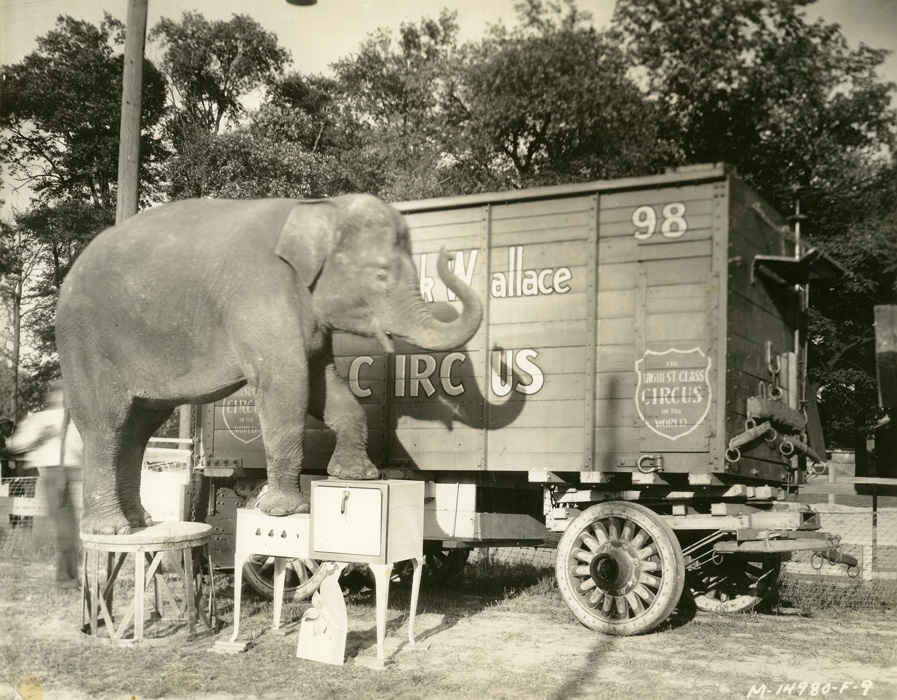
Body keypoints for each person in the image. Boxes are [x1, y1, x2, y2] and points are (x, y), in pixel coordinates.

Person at [6, 383, 84, 588]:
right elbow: (15, 444)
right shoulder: (40, 418)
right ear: (52, 395)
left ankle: (69, 578)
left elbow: (81, 450)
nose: (62, 397)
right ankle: (66, 580)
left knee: (72, 530)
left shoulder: (75, 419)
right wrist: (40, 436)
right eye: (59, 393)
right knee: (65, 530)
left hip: (72, 476)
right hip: (53, 476)